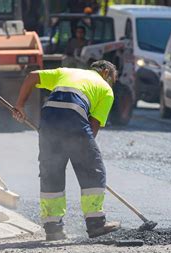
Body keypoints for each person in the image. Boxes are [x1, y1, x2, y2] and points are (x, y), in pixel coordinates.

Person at [12, 60, 120, 241]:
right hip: (74, 119)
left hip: (48, 119)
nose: (111, 84)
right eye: (112, 80)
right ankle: (95, 223)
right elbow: (92, 129)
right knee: (92, 169)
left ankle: (53, 228)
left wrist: (20, 105)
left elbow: (32, 77)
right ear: (105, 73)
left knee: (51, 172)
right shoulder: (105, 89)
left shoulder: (66, 72)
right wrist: (82, 157)